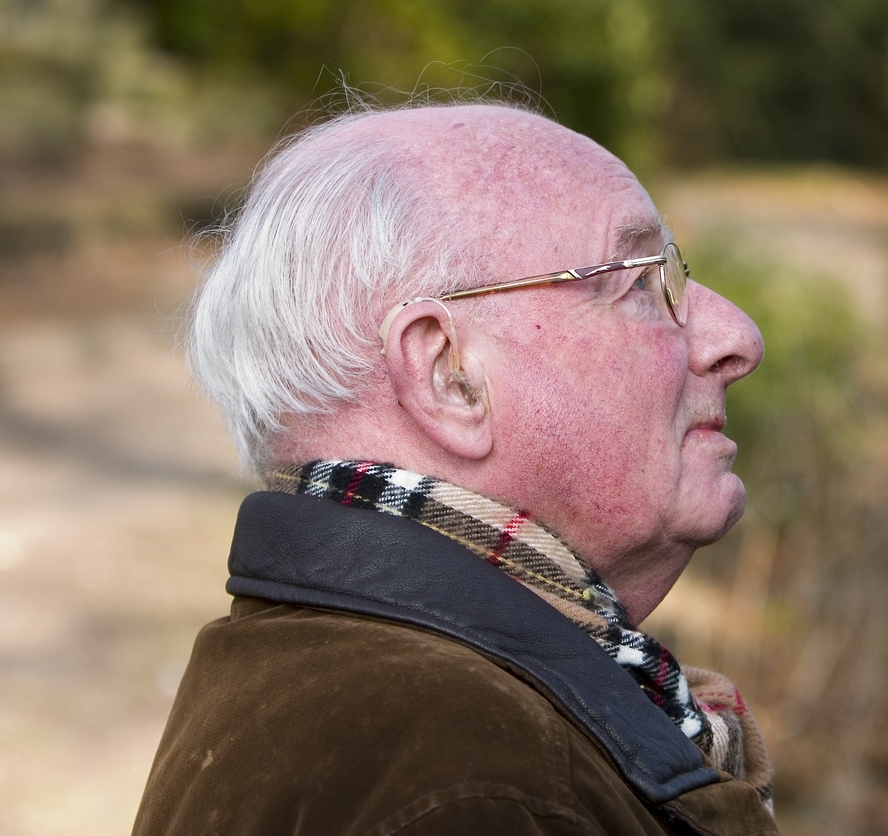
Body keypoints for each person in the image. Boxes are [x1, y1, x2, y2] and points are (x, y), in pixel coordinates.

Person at [133, 97, 776, 835]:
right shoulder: (476, 785)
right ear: (449, 376)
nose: (736, 337)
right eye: (639, 282)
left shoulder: (328, 682)